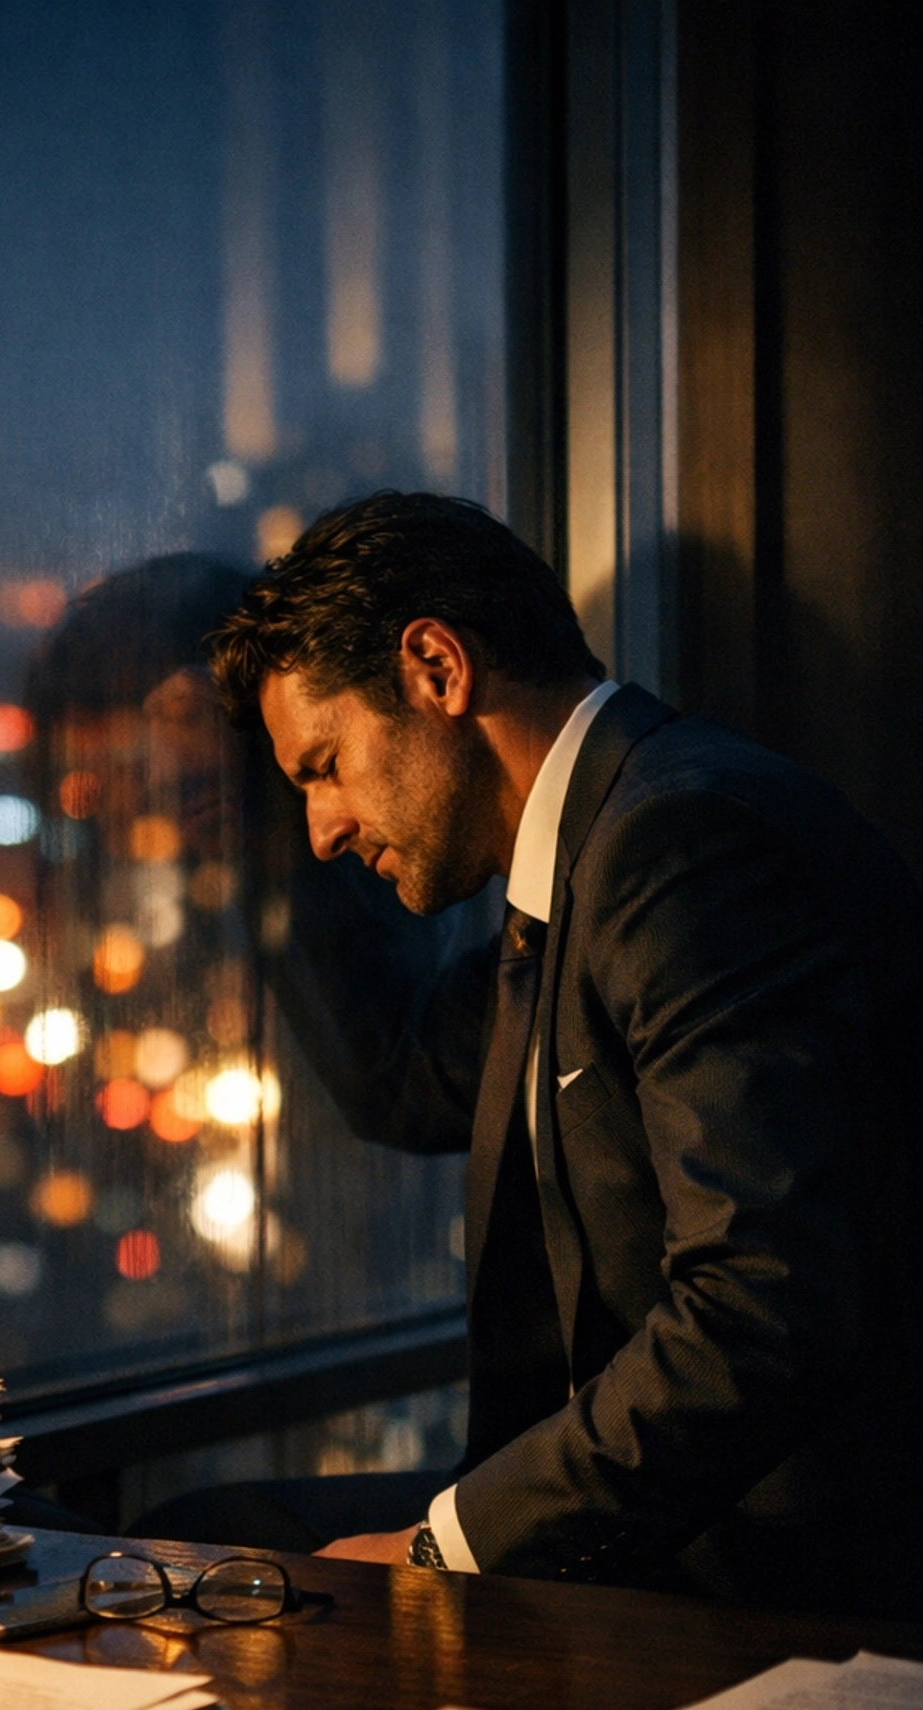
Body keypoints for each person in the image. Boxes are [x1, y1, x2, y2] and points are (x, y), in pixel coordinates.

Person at [127, 492, 923, 1617]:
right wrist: (239, 834)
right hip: (680, 1509)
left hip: (774, 1557)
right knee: (204, 1547)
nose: (322, 829)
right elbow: (403, 1075)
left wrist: (441, 1549)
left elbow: (763, 1305)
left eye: (324, 767)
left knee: (221, 1583)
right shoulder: (580, 866)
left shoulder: (679, 844)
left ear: (437, 670)